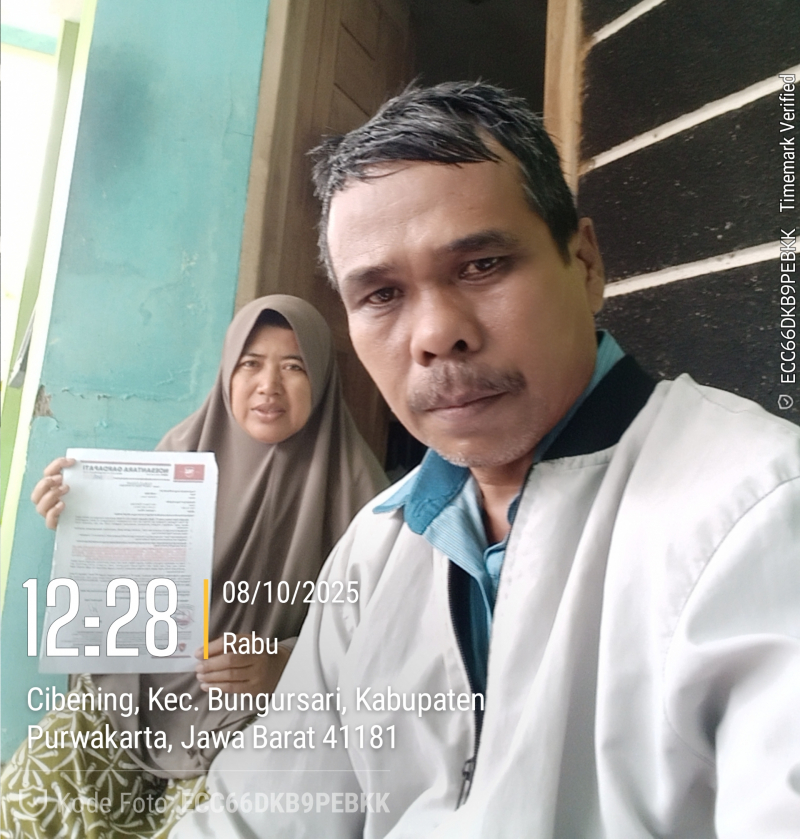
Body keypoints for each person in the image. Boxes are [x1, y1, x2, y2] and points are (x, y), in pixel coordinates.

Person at [171, 81, 800, 839]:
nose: (436, 334)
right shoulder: (377, 546)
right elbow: (260, 813)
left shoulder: (759, 513)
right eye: (382, 295)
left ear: (586, 264)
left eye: (482, 265)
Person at [1, 295, 386, 839]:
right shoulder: (181, 452)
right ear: (228, 372)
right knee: (31, 795)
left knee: (208, 827)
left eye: (293, 367)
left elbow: (379, 640)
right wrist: (80, 526)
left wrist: (284, 665)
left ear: (322, 378)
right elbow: (124, 598)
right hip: (135, 693)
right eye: (250, 364)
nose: (268, 386)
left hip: (255, 710)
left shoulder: (363, 496)